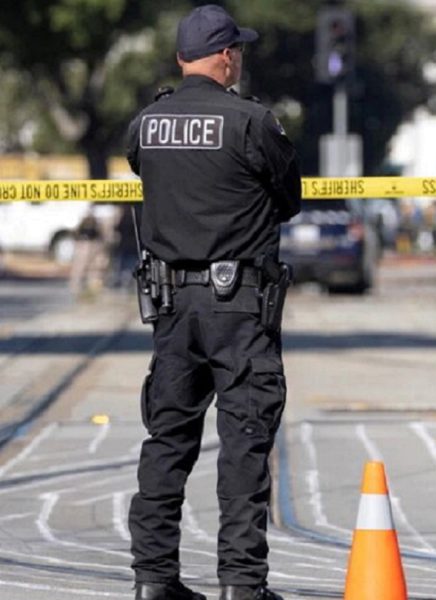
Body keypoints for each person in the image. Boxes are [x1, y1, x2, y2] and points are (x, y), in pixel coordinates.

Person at [126, 5, 301, 600]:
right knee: (245, 445)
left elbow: (143, 171)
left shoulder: (146, 123)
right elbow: (290, 197)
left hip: (171, 309)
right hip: (239, 310)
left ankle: (153, 581)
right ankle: (242, 586)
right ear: (225, 55)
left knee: (167, 442)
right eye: (238, 51)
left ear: (182, 58)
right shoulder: (252, 123)